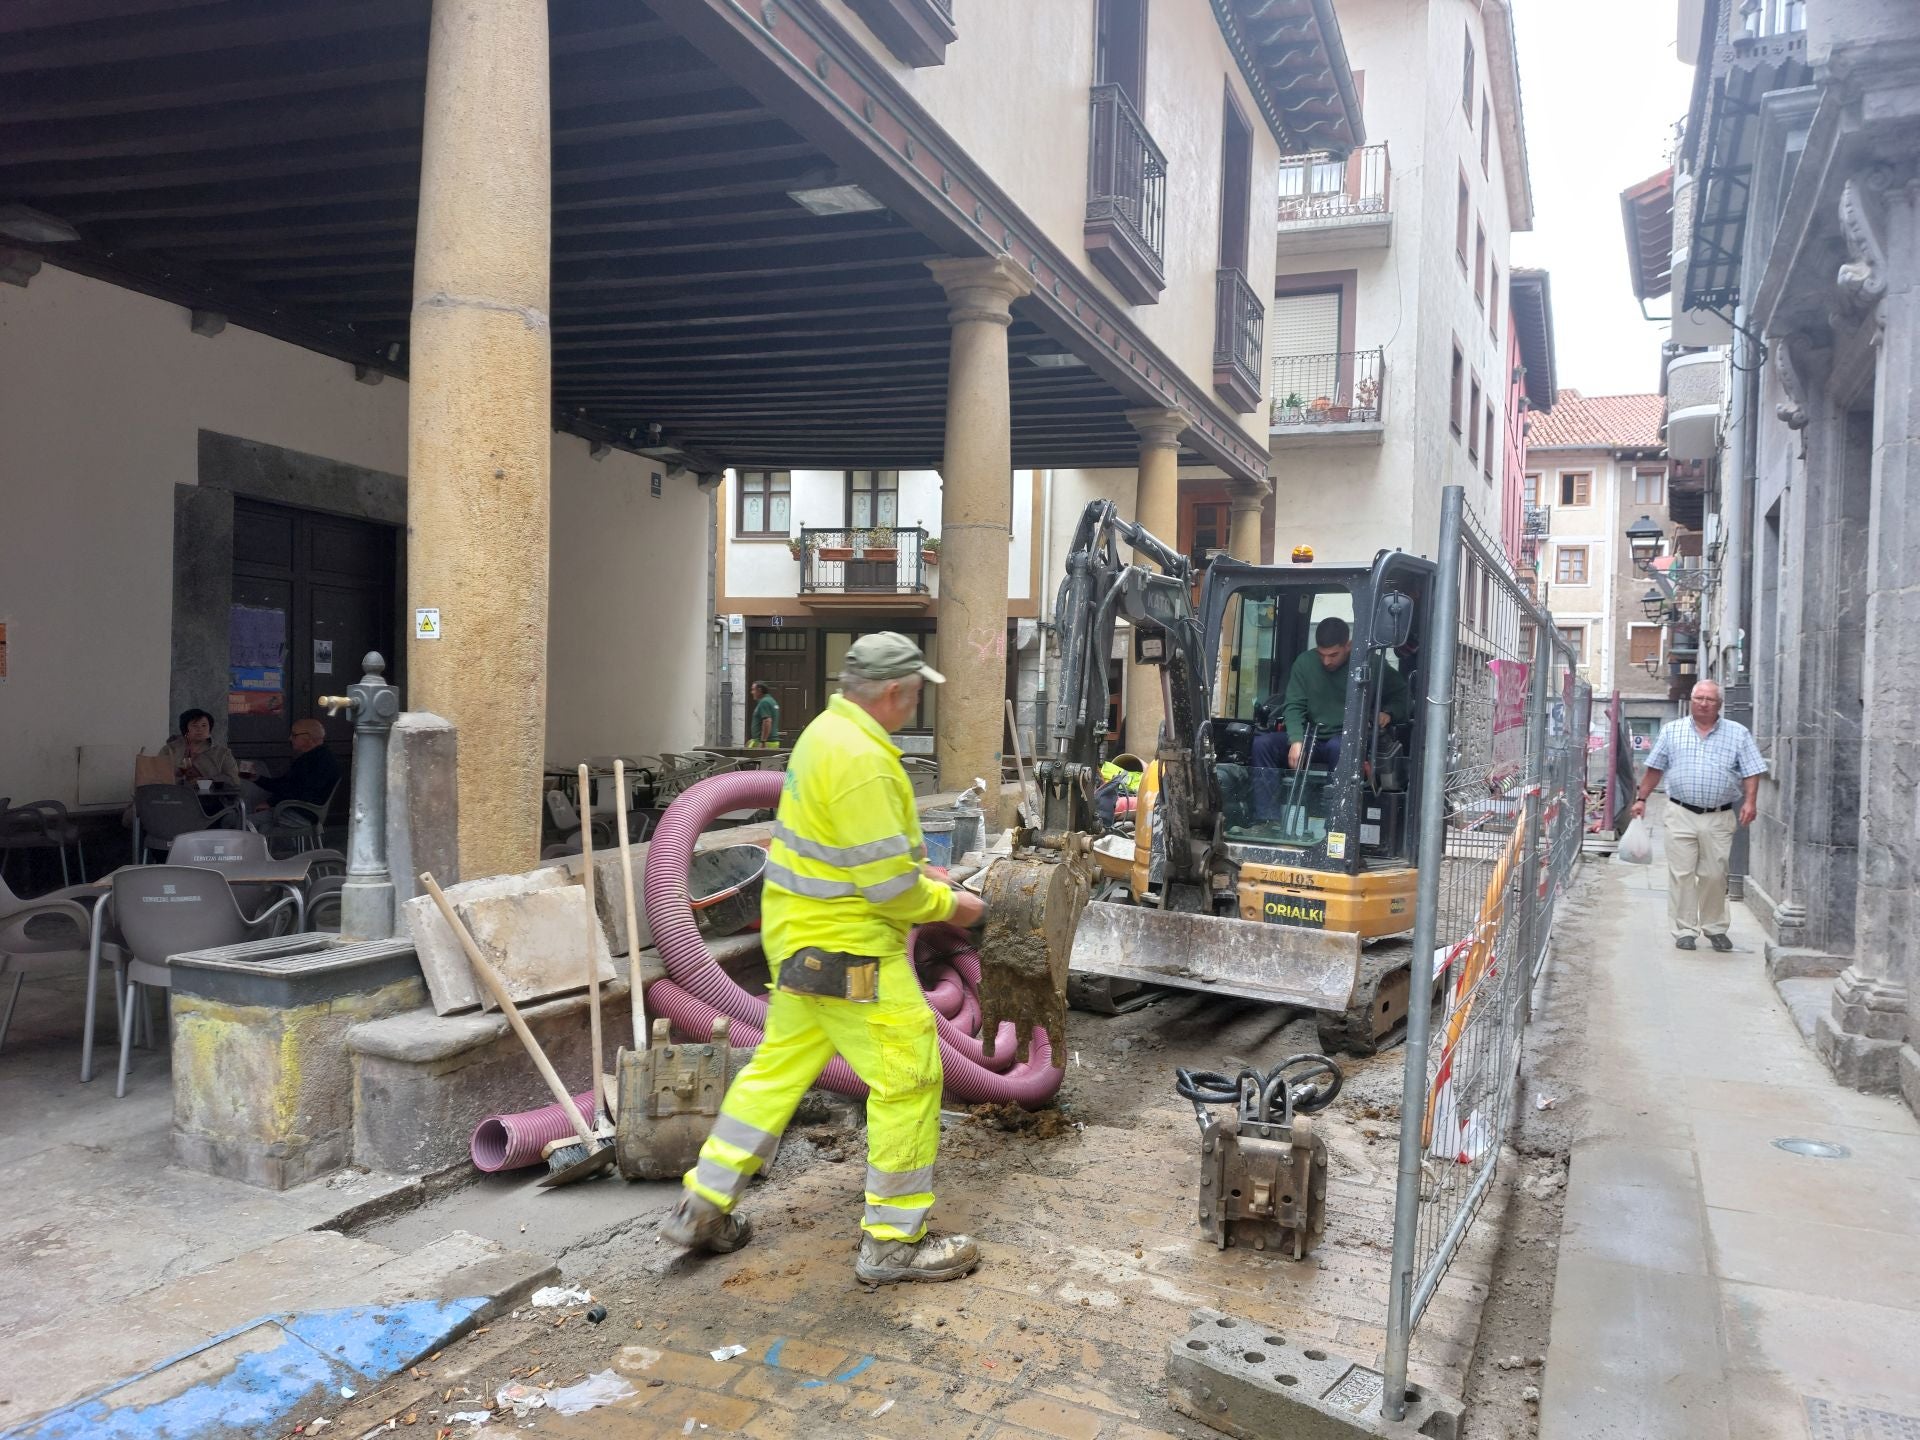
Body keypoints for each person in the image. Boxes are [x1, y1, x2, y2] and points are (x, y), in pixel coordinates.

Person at [662, 632, 990, 1283]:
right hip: (850, 954)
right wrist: (959, 907)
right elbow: (891, 891)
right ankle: (893, 1243)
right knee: (910, 1076)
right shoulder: (867, 761)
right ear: (893, 692)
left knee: (775, 1074)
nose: (915, 701)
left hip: (799, 944)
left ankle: (702, 1206)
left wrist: (918, 876)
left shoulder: (822, 734)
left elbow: (850, 852)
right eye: (914, 691)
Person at [1630, 679, 1766, 952]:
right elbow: (1655, 768)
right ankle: (1685, 930)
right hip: (1680, 812)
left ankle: (1715, 927)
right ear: (1692, 701)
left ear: (1719, 704)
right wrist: (1641, 799)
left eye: (1710, 699)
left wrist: (1751, 802)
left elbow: (1752, 770)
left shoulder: (1738, 733)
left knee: (1714, 874)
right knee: (1681, 874)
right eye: (1699, 698)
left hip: (1719, 816)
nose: (1703, 704)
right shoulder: (1672, 731)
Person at [1250, 617, 1411, 819]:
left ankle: (1335, 823)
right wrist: (1296, 740)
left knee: (1340, 748)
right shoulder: (1305, 663)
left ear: (1348, 646)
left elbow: (1403, 697)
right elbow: (1294, 706)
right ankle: (1266, 820)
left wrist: (1389, 712)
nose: (1327, 661)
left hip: (1348, 738)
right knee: (1263, 745)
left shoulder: (1372, 664)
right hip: (1311, 736)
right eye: (1322, 654)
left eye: (1333, 655)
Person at [241, 717, 342, 813]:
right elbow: (285, 784)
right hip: (294, 809)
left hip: (298, 813)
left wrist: (271, 803)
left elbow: (301, 792)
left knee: (246, 821)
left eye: (294, 735)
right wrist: (256, 778)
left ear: (308, 737)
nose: (290, 738)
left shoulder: (320, 761)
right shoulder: (313, 757)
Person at [161, 708, 242, 788]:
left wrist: (207, 780)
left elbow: (234, 780)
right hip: (176, 794)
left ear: (209, 729)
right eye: (194, 725)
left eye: (204, 725)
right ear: (185, 729)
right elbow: (159, 776)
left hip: (211, 795)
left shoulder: (222, 753)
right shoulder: (170, 750)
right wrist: (181, 780)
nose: (200, 729)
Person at [747, 681, 781, 749]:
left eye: (753, 690)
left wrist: (763, 741)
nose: (752, 692)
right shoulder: (771, 700)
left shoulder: (764, 702)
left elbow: (767, 721)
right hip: (770, 742)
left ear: (759, 690)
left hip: (765, 743)